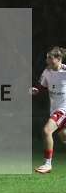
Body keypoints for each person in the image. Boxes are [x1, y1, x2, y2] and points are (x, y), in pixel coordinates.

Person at [31, 46, 66, 174]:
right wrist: (35, 90)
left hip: (63, 110)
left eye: (50, 58)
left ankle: (47, 164)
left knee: (47, 131)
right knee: (63, 137)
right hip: (54, 109)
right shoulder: (47, 72)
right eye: (47, 58)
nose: (47, 60)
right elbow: (41, 86)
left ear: (58, 59)